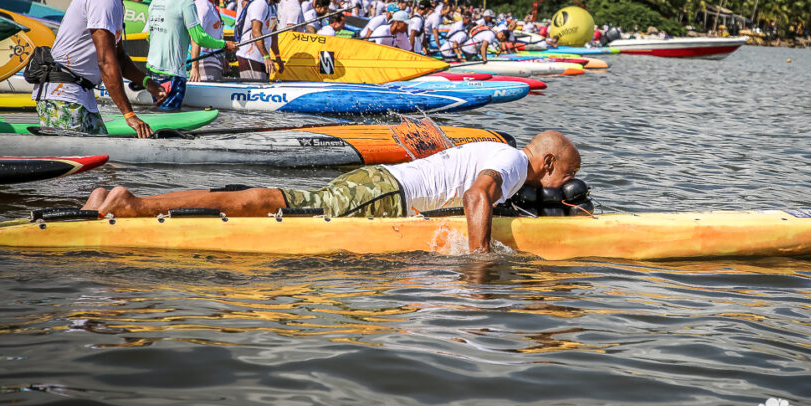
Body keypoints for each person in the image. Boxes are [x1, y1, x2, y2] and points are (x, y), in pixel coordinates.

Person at [81, 131, 582, 253]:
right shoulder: (515, 162)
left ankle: (121, 199)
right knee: (270, 203)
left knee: (276, 203)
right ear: (549, 162)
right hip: (382, 196)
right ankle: (134, 205)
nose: (563, 187)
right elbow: (477, 199)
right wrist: (480, 268)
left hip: (381, 188)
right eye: (565, 176)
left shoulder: (499, 150)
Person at [28, 0, 166, 137]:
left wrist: (147, 82)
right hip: (62, 95)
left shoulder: (115, 0)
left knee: (104, 161)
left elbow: (119, 59)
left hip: (82, 96)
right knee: (81, 157)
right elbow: (105, 62)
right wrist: (129, 114)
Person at [144, 0, 236, 109]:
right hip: (172, 73)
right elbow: (199, 37)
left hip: (152, 70)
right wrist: (224, 44)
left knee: (159, 111)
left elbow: (149, 36)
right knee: (168, 116)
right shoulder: (185, 1)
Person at [236, 0, 287, 80]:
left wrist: (277, 57)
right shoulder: (260, 4)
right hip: (250, 56)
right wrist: (266, 56)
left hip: (261, 58)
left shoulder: (272, 7)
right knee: (256, 92)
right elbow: (256, 32)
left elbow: (273, 34)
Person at [191, 0, 229, 82]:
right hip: (205, 60)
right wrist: (194, 67)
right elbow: (196, 37)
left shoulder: (209, 4)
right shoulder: (203, 5)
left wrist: (221, 57)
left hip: (213, 58)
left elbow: (214, 33)